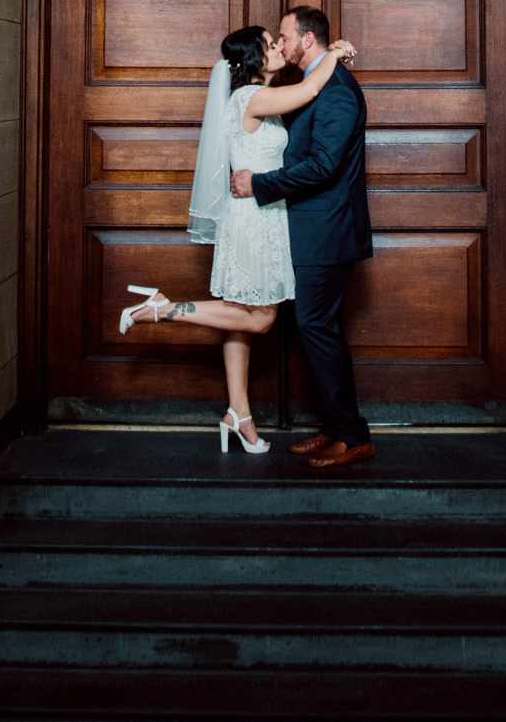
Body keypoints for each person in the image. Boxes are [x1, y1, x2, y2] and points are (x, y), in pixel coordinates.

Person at [118, 24, 354, 454]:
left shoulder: (252, 98)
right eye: (270, 44)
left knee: (239, 317)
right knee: (261, 317)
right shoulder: (251, 97)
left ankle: (239, 414)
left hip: (256, 215)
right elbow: (310, 90)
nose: (278, 46)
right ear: (253, 60)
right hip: (253, 220)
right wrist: (334, 53)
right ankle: (165, 308)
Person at [231, 6, 374, 471]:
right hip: (312, 230)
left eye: (286, 37)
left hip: (327, 233)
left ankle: (352, 437)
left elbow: (323, 166)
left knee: (319, 330)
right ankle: (335, 428)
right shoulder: (314, 83)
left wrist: (260, 184)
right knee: (318, 330)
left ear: (307, 39)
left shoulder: (335, 92)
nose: (282, 45)